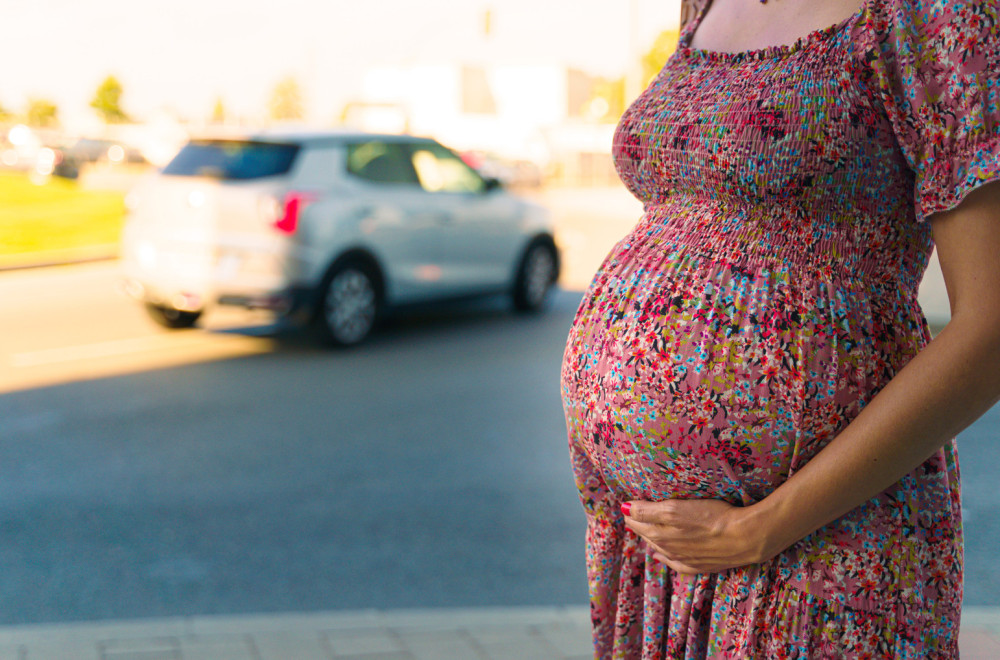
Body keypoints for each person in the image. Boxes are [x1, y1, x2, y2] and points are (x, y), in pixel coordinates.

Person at [559, 0, 1000, 656]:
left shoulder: (937, 12)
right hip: (663, 555)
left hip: (821, 537)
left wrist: (761, 528)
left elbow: (990, 331)